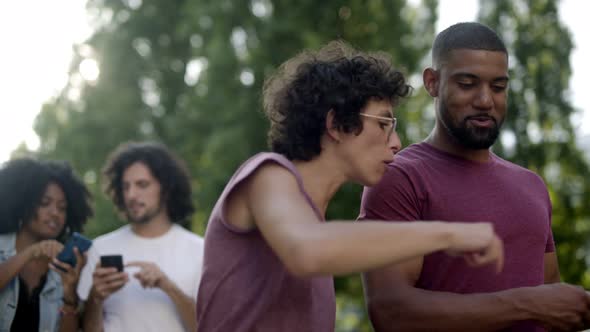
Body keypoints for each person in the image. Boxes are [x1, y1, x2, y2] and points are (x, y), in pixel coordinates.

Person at [195, 40, 505, 332]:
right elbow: (307, 250)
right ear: (335, 124)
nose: (396, 143)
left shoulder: (321, 234)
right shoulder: (266, 175)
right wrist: (446, 233)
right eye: (383, 124)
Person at [359, 22, 590, 332]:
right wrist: (527, 305)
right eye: (467, 84)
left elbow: (552, 309)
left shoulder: (531, 185)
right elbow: (391, 311)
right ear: (433, 82)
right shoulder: (400, 179)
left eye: (498, 87)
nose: (485, 100)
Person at [77, 142, 204, 332]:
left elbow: (207, 327)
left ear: (166, 188)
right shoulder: (100, 248)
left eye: (142, 185)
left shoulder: (200, 250)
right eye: (125, 186)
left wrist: (168, 287)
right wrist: (95, 298)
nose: (131, 195)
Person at [0, 158, 93, 332]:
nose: (55, 213)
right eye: (45, 203)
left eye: (62, 207)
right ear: (22, 204)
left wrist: (69, 295)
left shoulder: (64, 269)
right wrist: (29, 254)